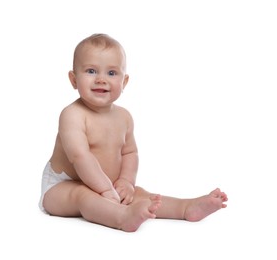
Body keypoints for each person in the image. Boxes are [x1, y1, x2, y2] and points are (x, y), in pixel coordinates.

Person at [38, 33, 228, 232]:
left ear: (124, 82)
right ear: (74, 79)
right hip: (63, 186)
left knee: (140, 195)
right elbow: (80, 156)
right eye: (91, 71)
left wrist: (126, 182)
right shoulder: (72, 115)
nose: (101, 79)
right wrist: (104, 189)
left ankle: (185, 208)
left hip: (108, 185)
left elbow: (130, 153)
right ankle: (121, 217)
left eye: (111, 73)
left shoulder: (124, 117)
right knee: (82, 197)